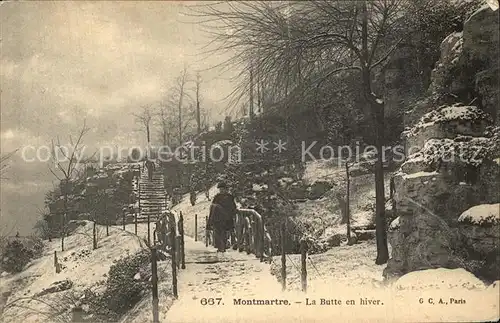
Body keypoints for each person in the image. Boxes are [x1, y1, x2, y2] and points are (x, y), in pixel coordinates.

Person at [207, 181, 237, 253]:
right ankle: (220, 247)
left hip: (226, 219)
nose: (221, 190)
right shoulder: (217, 197)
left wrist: (230, 214)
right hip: (217, 219)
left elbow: (233, 208)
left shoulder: (230, 197)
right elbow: (213, 208)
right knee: (218, 233)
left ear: (226, 189)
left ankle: (223, 247)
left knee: (224, 233)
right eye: (220, 189)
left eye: (222, 189)